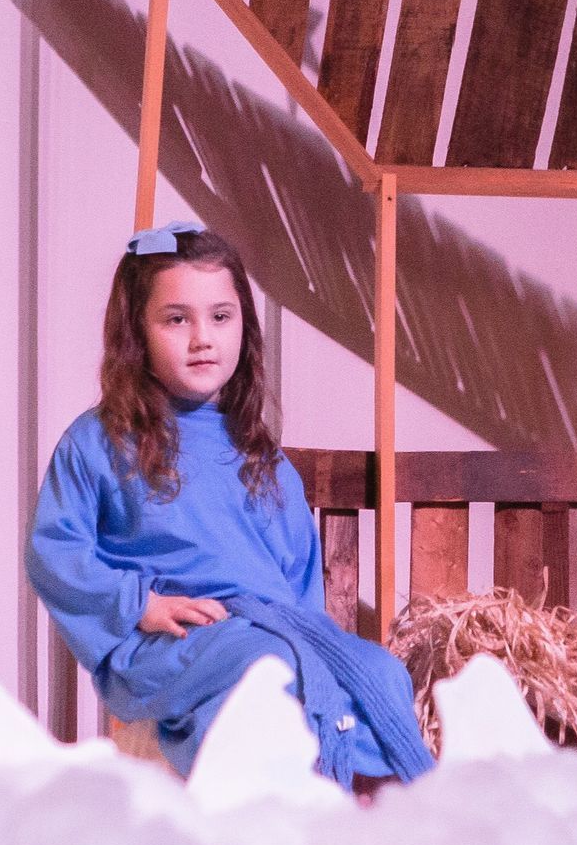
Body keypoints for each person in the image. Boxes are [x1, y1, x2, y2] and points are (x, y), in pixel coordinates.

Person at [27, 221, 435, 789]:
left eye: (221, 317)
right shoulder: (99, 441)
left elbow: (298, 577)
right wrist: (136, 603)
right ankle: (273, 806)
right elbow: (55, 551)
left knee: (379, 671)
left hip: (268, 632)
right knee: (267, 666)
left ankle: (399, 811)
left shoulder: (259, 455)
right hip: (165, 644)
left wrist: (314, 640)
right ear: (136, 333)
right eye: (177, 319)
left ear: (244, 324)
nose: (203, 338)